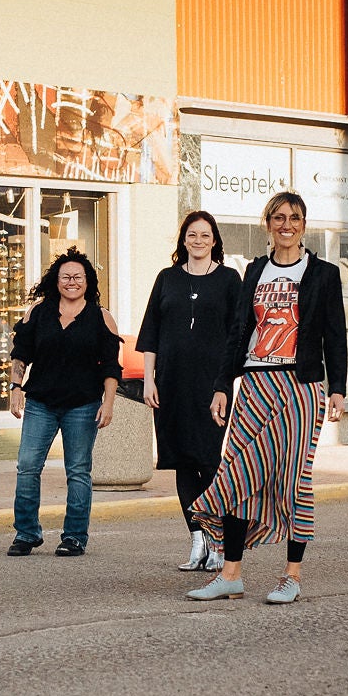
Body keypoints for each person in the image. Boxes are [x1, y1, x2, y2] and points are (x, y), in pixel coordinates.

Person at [187, 191, 346, 606]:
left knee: (293, 480)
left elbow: (336, 337)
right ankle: (231, 575)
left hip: (300, 386)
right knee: (238, 476)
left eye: (294, 217)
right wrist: (223, 383)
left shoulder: (323, 274)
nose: (286, 224)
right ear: (268, 224)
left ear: (303, 225)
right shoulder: (254, 271)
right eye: (278, 217)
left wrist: (339, 389)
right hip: (255, 385)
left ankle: (291, 576)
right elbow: (239, 333)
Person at [136, 211, 246, 572]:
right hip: (170, 382)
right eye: (192, 235)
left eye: (205, 235)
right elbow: (150, 332)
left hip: (212, 384)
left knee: (210, 461)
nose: (198, 241)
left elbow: (238, 336)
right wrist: (149, 379)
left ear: (215, 240)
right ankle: (197, 539)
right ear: (183, 240)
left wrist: (226, 384)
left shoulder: (230, 279)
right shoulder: (166, 278)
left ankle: (217, 540)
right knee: (181, 461)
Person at [7, 250, 122, 558]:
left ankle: (74, 537)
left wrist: (108, 403)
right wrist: (15, 387)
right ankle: (27, 533)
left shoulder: (102, 317)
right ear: (56, 281)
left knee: (78, 471)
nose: (71, 282)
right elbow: (21, 354)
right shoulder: (38, 312)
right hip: (40, 403)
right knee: (28, 466)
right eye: (66, 277)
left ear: (88, 281)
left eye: (78, 277)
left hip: (83, 406)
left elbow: (112, 367)